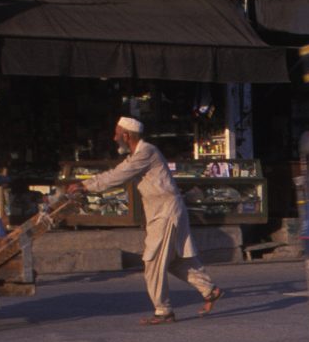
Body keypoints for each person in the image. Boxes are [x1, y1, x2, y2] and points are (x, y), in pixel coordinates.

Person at [70, 116, 219, 325]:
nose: (114, 139)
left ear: (126, 135)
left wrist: (86, 186)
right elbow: (118, 172)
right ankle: (209, 290)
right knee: (174, 261)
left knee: (152, 262)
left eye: (116, 134)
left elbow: (118, 175)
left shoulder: (146, 152)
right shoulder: (138, 154)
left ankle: (163, 310)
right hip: (162, 212)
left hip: (165, 212)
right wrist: (89, 185)